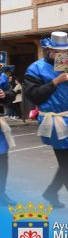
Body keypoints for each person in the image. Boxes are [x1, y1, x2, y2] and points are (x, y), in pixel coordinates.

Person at [24, 31, 68, 215]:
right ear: (50, 50)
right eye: (58, 51)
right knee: (67, 163)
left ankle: (51, 192)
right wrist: (55, 81)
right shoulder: (35, 68)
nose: (62, 55)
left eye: (65, 51)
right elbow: (33, 96)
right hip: (54, 120)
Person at [0, 68, 17, 205]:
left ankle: (1, 194)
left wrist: (4, 94)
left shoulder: (2, 77)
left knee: (2, 160)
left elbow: (12, 94)